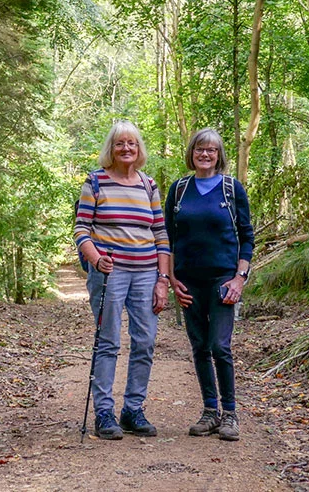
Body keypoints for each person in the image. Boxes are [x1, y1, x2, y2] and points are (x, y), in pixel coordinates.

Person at [73, 119, 171, 440]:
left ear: (139, 149)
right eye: (120, 144)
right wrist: (95, 258)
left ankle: (133, 410)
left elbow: (160, 234)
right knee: (109, 341)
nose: (126, 148)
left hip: (146, 273)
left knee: (145, 341)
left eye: (132, 143)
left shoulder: (149, 185)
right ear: (111, 149)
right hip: (109, 273)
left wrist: (163, 279)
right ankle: (104, 412)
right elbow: (81, 230)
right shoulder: (95, 182)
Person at [166, 128, 253, 441]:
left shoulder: (232, 189)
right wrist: (172, 279)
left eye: (211, 150)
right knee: (200, 347)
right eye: (200, 149)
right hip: (188, 281)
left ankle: (230, 414)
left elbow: (246, 236)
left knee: (220, 346)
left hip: (223, 280)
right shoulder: (178, 190)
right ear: (191, 153)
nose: (205, 154)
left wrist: (240, 278)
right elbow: (168, 240)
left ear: (219, 155)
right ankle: (210, 412)